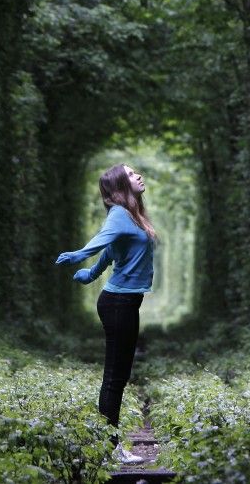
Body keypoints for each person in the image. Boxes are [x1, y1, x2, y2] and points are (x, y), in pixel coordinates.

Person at [55, 163, 156, 465]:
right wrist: (79, 256)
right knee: (115, 377)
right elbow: (101, 239)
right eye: (130, 174)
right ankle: (108, 448)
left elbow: (112, 251)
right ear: (119, 187)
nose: (138, 175)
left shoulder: (133, 217)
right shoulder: (119, 215)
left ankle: (108, 446)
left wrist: (91, 274)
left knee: (119, 375)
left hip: (125, 302)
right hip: (117, 304)